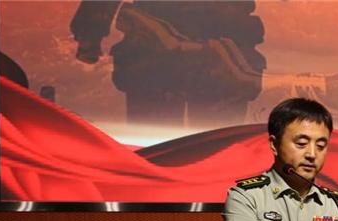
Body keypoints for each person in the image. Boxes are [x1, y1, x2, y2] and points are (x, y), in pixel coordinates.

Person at [70, 1, 265, 128]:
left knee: (214, 149)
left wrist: (89, 37)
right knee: (160, 144)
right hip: (159, 52)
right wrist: (89, 35)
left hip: (213, 55)